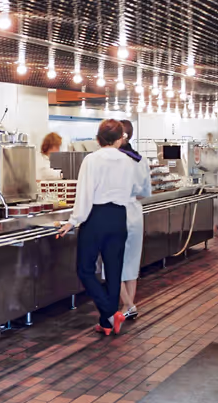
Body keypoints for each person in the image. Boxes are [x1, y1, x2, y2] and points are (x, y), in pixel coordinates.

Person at [58, 119, 138, 335]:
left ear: (98, 138)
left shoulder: (91, 160)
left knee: (85, 269)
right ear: (120, 139)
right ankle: (107, 322)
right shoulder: (128, 161)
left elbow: (84, 194)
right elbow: (132, 191)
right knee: (114, 271)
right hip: (119, 217)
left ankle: (110, 313)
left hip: (96, 217)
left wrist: (73, 220)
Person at [118, 120, 151, 319]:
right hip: (136, 213)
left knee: (112, 262)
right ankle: (129, 307)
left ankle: (128, 304)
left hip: (116, 212)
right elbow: (145, 192)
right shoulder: (141, 159)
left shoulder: (113, 159)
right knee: (131, 262)